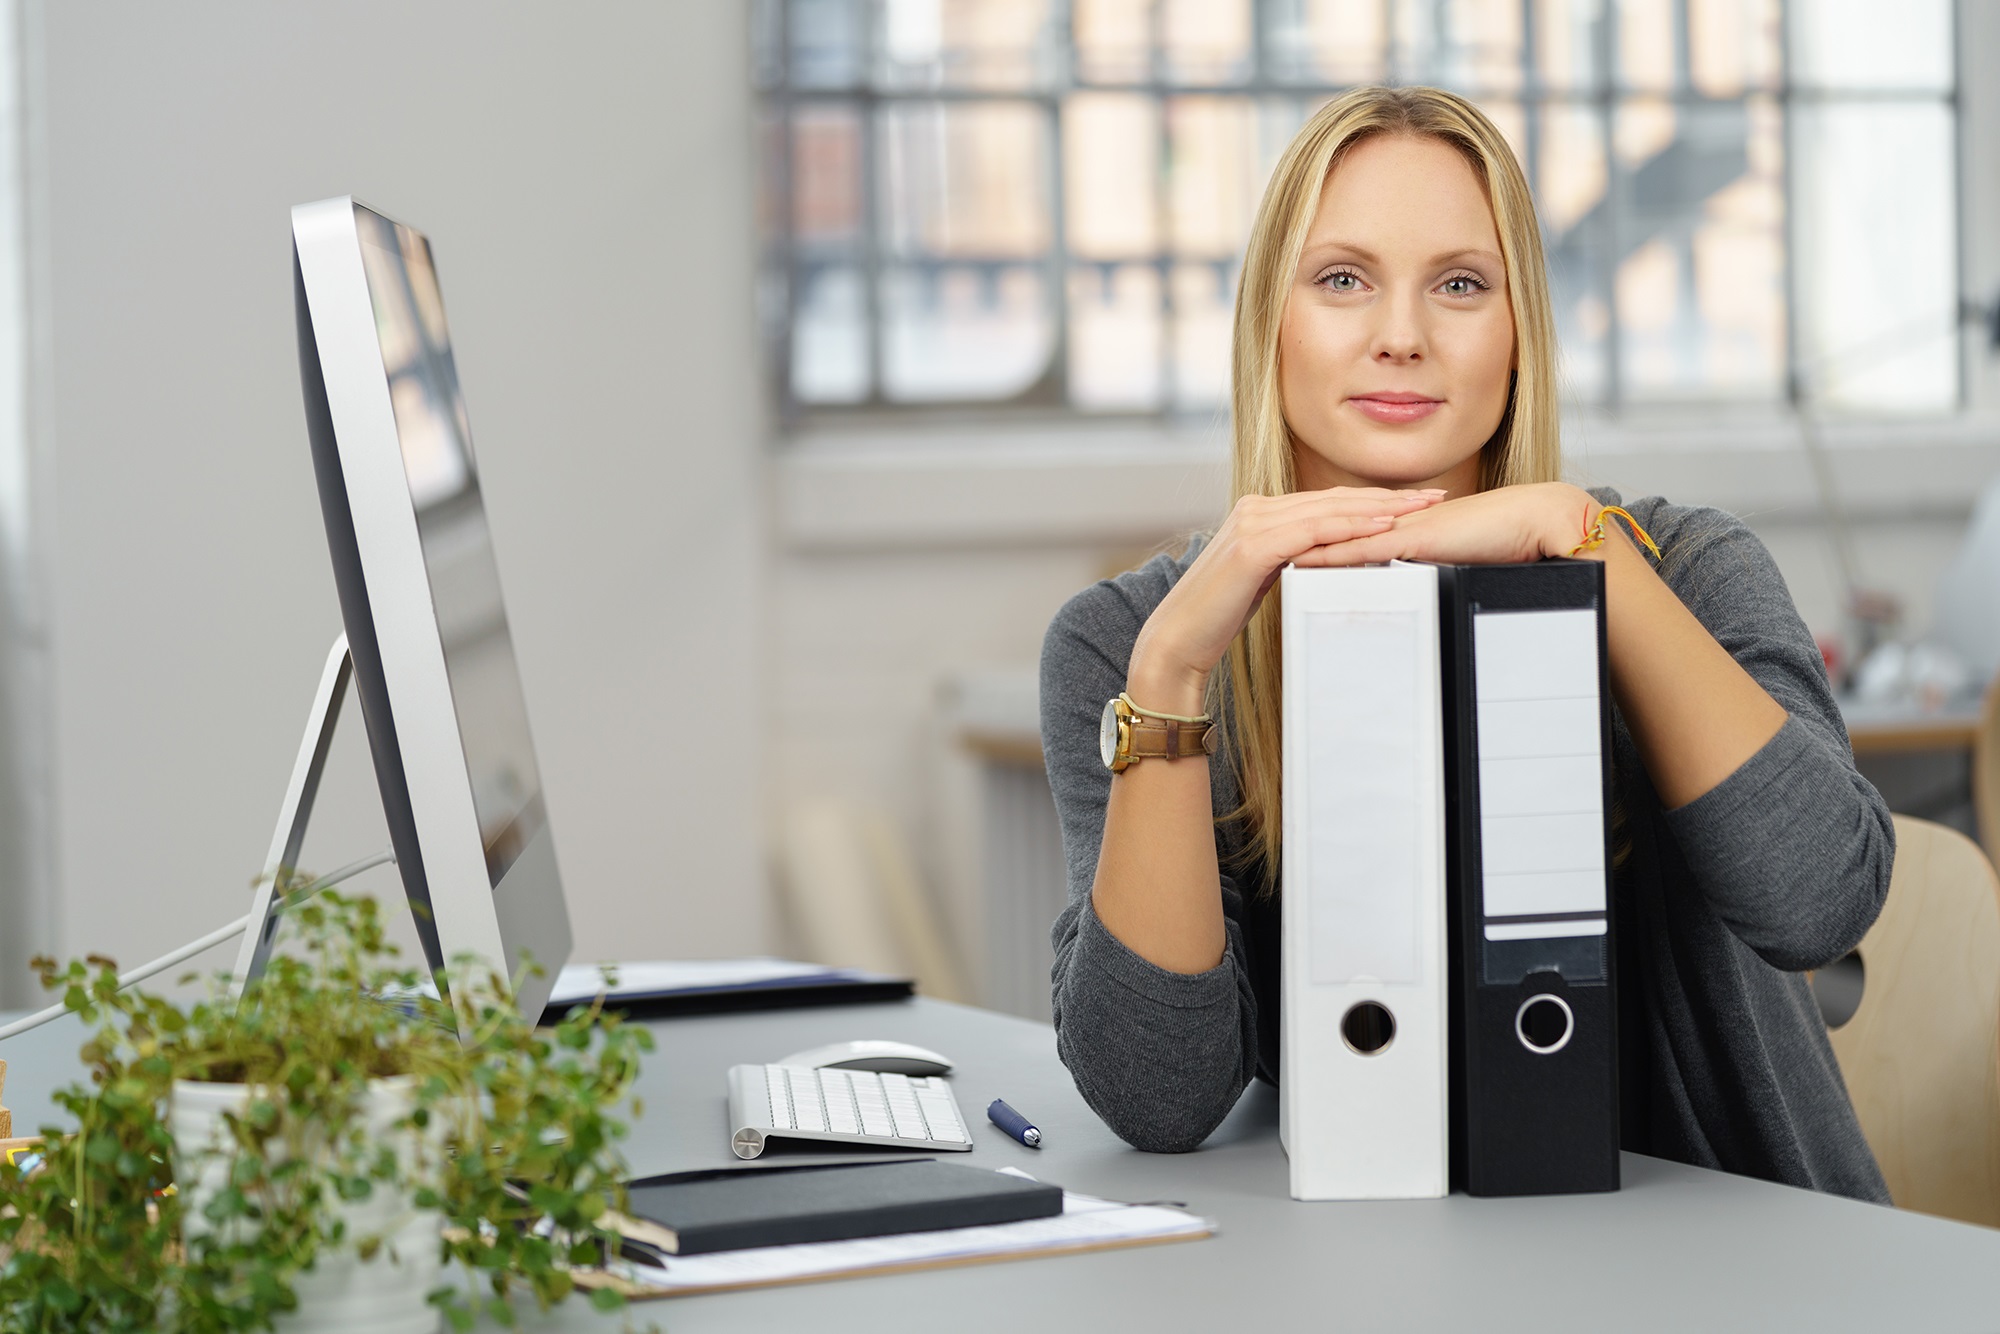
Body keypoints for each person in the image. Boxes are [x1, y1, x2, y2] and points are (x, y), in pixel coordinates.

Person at [1040, 85, 1891, 1202]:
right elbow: (1159, 1097)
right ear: (1268, 324)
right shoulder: (1131, 642)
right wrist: (1168, 678)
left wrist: (1584, 549)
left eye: (1458, 284)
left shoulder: (1678, 565)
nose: (1400, 335)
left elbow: (1816, 900)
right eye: (1341, 279)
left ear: (1517, 333)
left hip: (1726, 1244)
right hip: (1364, 1254)